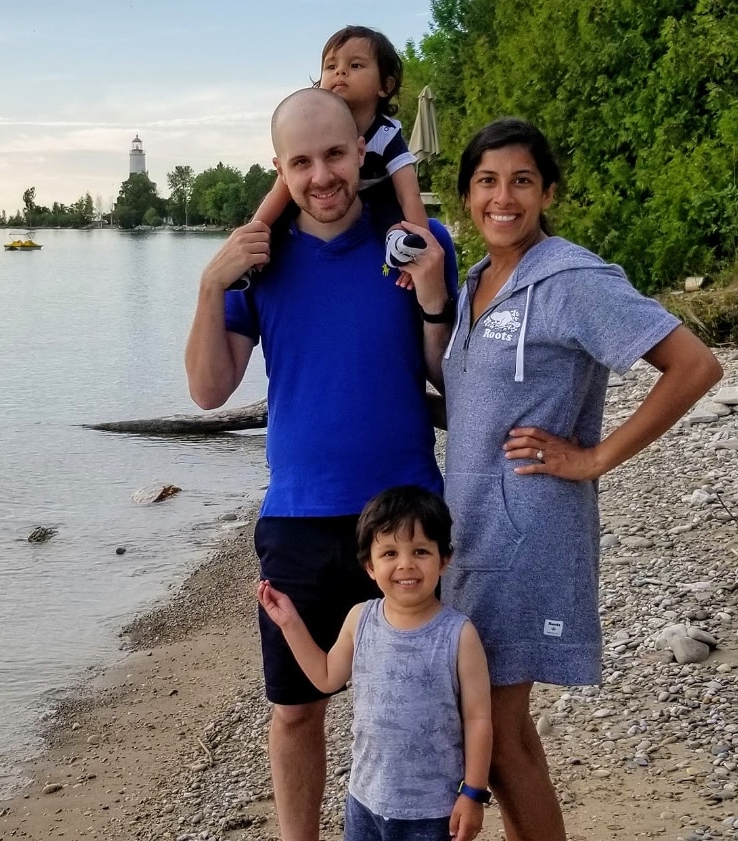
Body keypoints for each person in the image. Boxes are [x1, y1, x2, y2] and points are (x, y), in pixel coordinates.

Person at [183, 87, 459, 841]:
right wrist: (212, 283)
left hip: (405, 520)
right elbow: (209, 389)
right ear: (279, 168)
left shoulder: (414, 238)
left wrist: (434, 294)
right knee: (297, 708)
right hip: (300, 517)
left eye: (335, 154)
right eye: (300, 162)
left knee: (414, 703)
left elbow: (447, 375)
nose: (322, 176)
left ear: (361, 152)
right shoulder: (257, 265)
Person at [439, 117, 724, 841]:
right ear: (467, 194)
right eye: (487, 181)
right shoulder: (475, 280)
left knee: (497, 737)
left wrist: (594, 458)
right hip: (468, 530)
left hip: (528, 533)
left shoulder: (572, 278)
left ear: (548, 191)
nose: (504, 198)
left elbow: (694, 366)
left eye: (522, 181)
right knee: (500, 730)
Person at [257, 486, 492, 841]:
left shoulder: (459, 634)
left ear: (444, 559)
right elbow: (324, 677)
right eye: (389, 553)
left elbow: (478, 718)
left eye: (421, 551)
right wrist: (289, 622)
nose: (406, 564)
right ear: (369, 565)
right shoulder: (359, 619)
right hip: (365, 799)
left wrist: (472, 793)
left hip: (433, 810)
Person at [234, 25, 428, 290]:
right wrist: (254, 230)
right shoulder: (310, 133)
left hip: (375, 195)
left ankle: (400, 247)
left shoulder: (386, 133)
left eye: (356, 65)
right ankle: (251, 261)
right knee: (282, 213)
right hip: (322, 205)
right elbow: (279, 192)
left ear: (385, 85)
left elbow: (409, 194)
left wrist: (423, 243)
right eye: (331, 66)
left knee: (390, 210)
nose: (341, 72)